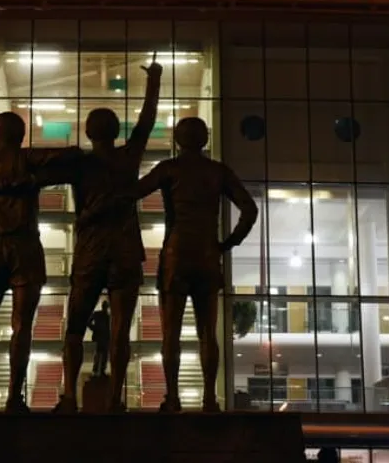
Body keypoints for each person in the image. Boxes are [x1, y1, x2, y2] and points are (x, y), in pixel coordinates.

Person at [83, 117, 258, 412]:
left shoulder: (169, 169)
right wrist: (227, 244)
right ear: (204, 139)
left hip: (176, 255)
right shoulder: (218, 171)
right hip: (207, 255)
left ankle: (173, 398)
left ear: (178, 140)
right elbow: (249, 209)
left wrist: (96, 204)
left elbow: (131, 193)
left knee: (171, 333)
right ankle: (209, 399)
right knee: (208, 334)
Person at [47, 52, 162, 413]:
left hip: (91, 250)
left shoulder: (79, 164)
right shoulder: (128, 157)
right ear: (116, 132)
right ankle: (115, 400)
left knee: (75, 327)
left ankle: (69, 397)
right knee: (120, 331)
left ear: (87, 132)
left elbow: (39, 170)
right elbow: (146, 122)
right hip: (124, 250)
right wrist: (154, 82)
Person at [0, 111, 82, 413]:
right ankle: (14, 399)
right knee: (22, 327)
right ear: (21, 136)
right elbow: (69, 155)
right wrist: (34, 179)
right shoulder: (28, 158)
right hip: (25, 248)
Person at [88, 300, 111, 377]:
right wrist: (95, 328)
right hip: (99, 337)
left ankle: (101, 370)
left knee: (104, 355)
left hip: (105, 338)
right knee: (99, 354)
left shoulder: (108, 316)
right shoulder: (97, 314)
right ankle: (96, 370)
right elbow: (88, 322)